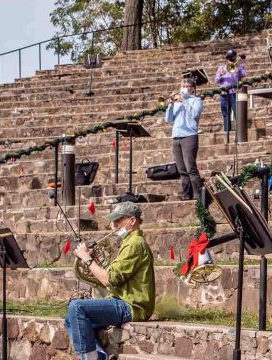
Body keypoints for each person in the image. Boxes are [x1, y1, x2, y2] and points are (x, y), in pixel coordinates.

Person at [65, 202, 156, 360]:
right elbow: (110, 276)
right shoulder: (130, 243)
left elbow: (109, 280)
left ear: (132, 221)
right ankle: (98, 354)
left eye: (118, 221)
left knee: (76, 307)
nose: (113, 225)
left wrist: (86, 258)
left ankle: (91, 358)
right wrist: (93, 262)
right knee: (70, 320)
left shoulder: (135, 244)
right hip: (121, 300)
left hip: (131, 305)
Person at [165, 78, 204, 201]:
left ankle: (198, 195)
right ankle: (186, 195)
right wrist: (170, 105)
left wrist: (184, 102)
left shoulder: (196, 100)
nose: (185, 88)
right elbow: (169, 120)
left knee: (190, 167)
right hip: (176, 136)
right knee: (181, 169)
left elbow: (194, 115)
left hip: (189, 136)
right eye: (183, 85)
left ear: (193, 88)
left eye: (188, 86)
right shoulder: (176, 103)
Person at [214, 49, 246, 133]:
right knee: (225, 113)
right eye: (229, 58)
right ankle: (227, 130)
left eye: (232, 58)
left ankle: (239, 130)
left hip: (234, 92)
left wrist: (240, 65)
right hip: (224, 93)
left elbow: (244, 74)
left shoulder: (238, 66)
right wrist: (221, 74)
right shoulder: (221, 67)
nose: (230, 60)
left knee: (236, 111)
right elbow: (216, 80)